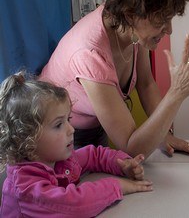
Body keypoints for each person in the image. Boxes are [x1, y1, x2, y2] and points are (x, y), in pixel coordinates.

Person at [40, 0, 189, 159]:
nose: (169, 30)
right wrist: (176, 94)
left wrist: (166, 134)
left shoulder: (130, 31)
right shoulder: (90, 53)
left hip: (95, 125)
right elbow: (131, 148)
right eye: (161, 21)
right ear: (131, 14)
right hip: (57, 134)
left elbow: (146, 84)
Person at [0, 72, 153, 217]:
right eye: (58, 124)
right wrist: (116, 186)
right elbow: (74, 205)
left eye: (69, 119)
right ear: (27, 140)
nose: (71, 129)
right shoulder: (25, 188)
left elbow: (94, 155)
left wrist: (122, 164)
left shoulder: (57, 159)